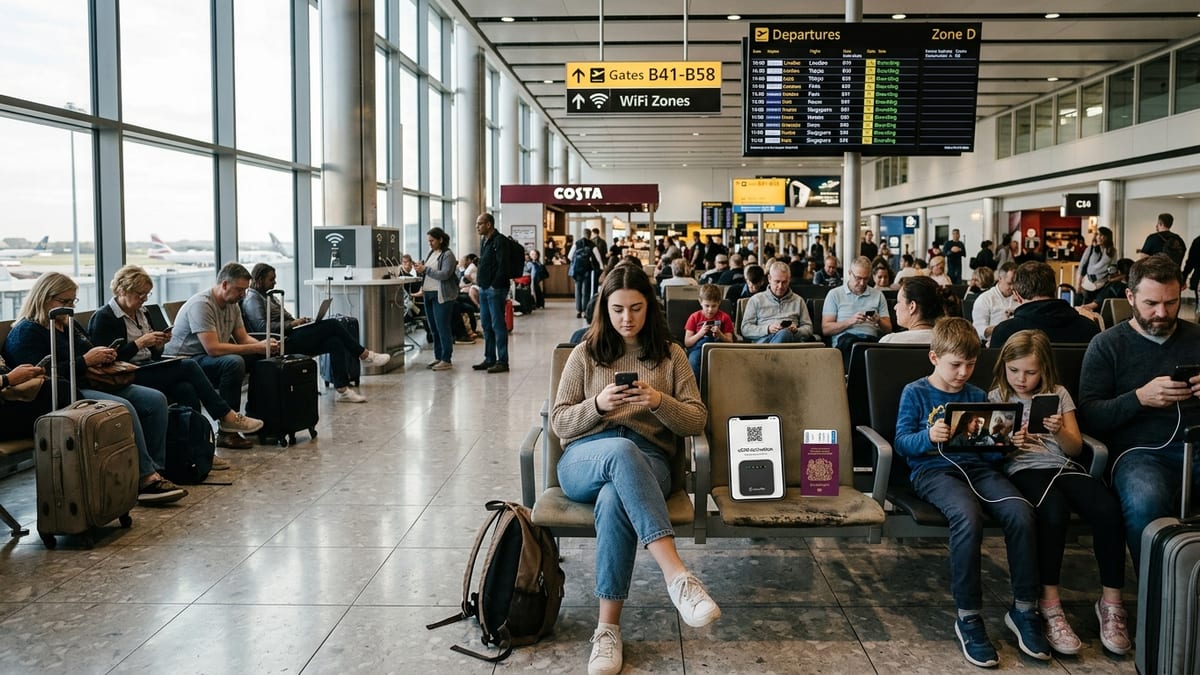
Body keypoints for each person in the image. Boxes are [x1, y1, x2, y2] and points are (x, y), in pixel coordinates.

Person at [550, 264, 719, 675]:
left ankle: (607, 630)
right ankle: (677, 576)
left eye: (637, 308)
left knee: (615, 497)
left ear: (651, 308)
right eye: (618, 309)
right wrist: (598, 406)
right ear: (604, 309)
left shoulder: (671, 354)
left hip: (651, 463)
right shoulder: (585, 353)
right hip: (584, 459)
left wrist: (659, 401)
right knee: (619, 452)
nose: (627, 318)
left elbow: (696, 419)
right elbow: (559, 422)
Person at [894, 317, 1047, 667]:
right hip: (932, 471)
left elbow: (988, 450)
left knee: (1021, 511)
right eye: (955, 365)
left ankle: (1025, 608)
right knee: (967, 515)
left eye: (971, 364)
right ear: (934, 358)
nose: (963, 372)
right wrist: (927, 437)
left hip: (978, 469)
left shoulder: (977, 396)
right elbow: (902, 443)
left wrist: (1007, 443)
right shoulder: (915, 392)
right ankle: (968, 615)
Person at [988, 330, 1130, 655]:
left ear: (1044, 370)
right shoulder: (997, 397)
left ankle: (1111, 601)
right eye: (1014, 371)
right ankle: (1049, 603)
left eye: (1030, 372)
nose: (1021, 379)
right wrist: (1009, 445)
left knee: (1107, 509)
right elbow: (993, 454)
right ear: (1004, 367)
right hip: (1023, 469)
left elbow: (1076, 447)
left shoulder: (1059, 394)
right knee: (1052, 512)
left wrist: (1059, 430)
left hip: (1062, 466)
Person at [3, 272, 187, 504]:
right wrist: (86, 361)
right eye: (65, 302)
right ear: (45, 298)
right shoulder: (27, 331)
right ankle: (145, 477)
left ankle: (154, 469)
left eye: (73, 301)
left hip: (92, 381)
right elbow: (40, 374)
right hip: (64, 393)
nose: (70, 307)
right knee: (123, 407)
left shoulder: (69, 325)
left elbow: (87, 349)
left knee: (154, 400)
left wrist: (103, 355)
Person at [1078, 254, 1200, 568]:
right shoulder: (1107, 346)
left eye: (1171, 303)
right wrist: (1139, 398)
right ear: (1130, 296)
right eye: (1151, 304)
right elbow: (1089, 416)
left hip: (1195, 445)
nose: (1162, 313)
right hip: (1140, 453)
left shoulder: (1196, 338)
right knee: (1145, 502)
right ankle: (1158, 596)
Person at [89, 265, 265, 469]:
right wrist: (140, 343)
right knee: (189, 366)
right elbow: (106, 359)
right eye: (140, 294)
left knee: (186, 389)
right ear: (122, 290)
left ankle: (197, 451)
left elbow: (152, 353)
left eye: (147, 294)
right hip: (124, 373)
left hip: (147, 366)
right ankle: (226, 417)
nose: (144, 299)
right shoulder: (105, 317)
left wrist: (158, 343)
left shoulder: (141, 313)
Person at [164, 262, 279, 449]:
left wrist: (263, 345)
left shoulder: (232, 304)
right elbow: (213, 349)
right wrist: (255, 348)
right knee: (233, 363)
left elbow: (242, 338)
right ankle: (228, 430)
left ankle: (259, 416)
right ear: (224, 284)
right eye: (239, 290)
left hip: (205, 358)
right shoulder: (202, 305)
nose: (243, 295)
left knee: (260, 356)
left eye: (245, 290)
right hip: (185, 361)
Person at [243, 264, 390, 391]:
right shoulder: (253, 299)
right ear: (260, 280)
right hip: (280, 343)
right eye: (271, 279)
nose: (275, 282)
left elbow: (283, 320)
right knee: (333, 324)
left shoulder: (268, 296)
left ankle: (342, 388)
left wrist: (300, 322)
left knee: (334, 342)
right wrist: (292, 324)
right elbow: (261, 327)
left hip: (289, 335)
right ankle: (364, 355)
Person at [988, 261, 1100, 348]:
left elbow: (996, 376)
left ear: (1017, 296)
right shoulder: (1090, 329)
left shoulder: (1004, 333)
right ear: (1055, 291)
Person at [822, 256, 892, 362]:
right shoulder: (834, 294)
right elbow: (826, 329)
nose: (862, 283)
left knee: (872, 350)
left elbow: (888, 329)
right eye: (858, 278)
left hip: (870, 341)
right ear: (850, 273)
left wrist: (878, 320)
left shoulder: (878, 295)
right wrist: (850, 321)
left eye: (866, 279)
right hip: (846, 341)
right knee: (854, 347)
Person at [473, 213, 515, 374]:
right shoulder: (485, 241)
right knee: (486, 324)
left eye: (480, 224)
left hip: (494, 289)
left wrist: (493, 284)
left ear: (489, 224)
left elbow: (503, 266)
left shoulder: (500, 241)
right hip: (484, 288)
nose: (477, 227)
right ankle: (489, 357)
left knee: (498, 325)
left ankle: (502, 361)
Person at [414, 228, 459, 371]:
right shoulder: (431, 254)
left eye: (432, 240)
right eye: (428, 241)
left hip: (441, 295)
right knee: (433, 328)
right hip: (428, 294)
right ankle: (438, 356)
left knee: (442, 327)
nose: (430, 243)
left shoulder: (448, 255)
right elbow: (428, 272)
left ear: (440, 239)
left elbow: (444, 274)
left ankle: (446, 358)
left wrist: (425, 269)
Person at [740, 262, 814, 344]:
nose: (780, 286)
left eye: (784, 282)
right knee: (784, 334)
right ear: (769, 279)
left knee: (785, 333)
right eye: (777, 281)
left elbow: (809, 328)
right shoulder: (756, 300)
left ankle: (774, 354)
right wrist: (767, 329)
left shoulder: (798, 301)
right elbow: (745, 329)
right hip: (764, 342)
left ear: (789, 280)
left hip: (790, 341)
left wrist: (797, 330)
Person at [881, 276, 959, 344]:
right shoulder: (951, 342)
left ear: (912, 306)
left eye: (898, 302)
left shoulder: (889, 341)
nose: (895, 307)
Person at [683, 284, 734, 380]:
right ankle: (695, 389)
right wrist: (700, 333)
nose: (710, 310)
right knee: (693, 363)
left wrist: (720, 334)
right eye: (707, 306)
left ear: (719, 303)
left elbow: (730, 342)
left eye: (714, 306)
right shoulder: (694, 317)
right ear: (700, 302)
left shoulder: (724, 317)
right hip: (698, 348)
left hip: (719, 348)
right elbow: (687, 342)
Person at [972, 262, 1019, 342]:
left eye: (1015, 283)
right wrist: (1002, 328)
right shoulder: (985, 299)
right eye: (1009, 283)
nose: (1012, 287)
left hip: (1017, 342)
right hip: (993, 345)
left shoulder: (1020, 297)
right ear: (1000, 278)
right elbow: (978, 330)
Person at [1076, 226, 1117, 306]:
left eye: (1102, 235)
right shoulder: (1091, 249)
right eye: (1098, 235)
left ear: (1107, 237)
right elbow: (1082, 266)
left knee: (1098, 307)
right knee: (1085, 307)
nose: (1099, 237)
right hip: (1088, 283)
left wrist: (1111, 272)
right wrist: (1078, 285)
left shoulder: (1112, 251)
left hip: (1102, 284)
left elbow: (1113, 267)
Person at [569, 229, 604, 319]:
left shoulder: (577, 243)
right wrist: (601, 266)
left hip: (577, 271)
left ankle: (578, 310)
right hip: (587, 271)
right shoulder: (592, 244)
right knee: (586, 291)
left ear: (583, 234)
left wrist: (575, 261)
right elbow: (598, 257)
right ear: (590, 235)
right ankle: (585, 310)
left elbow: (569, 256)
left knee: (578, 290)